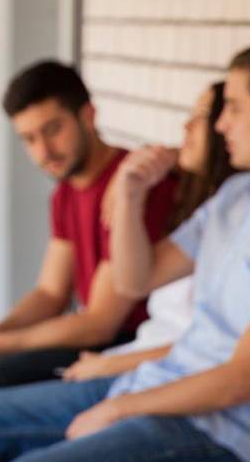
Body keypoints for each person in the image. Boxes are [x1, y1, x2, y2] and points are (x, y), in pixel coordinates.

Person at [0, 41, 250, 462]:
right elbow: (136, 278)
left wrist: (117, 408)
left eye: (233, 108)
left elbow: (240, 381)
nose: (220, 125)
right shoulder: (238, 196)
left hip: (215, 432)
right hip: (155, 385)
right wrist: (128, 195)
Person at [0, 62, 178, 387]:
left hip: (136, 343)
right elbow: (51, 292)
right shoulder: (64, 194)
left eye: (52, 130)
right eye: (29, 139)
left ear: (88, 116)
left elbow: (101, 323)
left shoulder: (133, 185)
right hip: (98, 334)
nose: (43, 151)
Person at [61, 82, 234, 383]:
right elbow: (132, 282)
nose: (187, 125)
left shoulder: (239, 219)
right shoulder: (204, 206)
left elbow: (211, 347)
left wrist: (107, 365)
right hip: (137, 364)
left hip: (159, 376)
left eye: (202, 116)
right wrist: (128, 186)